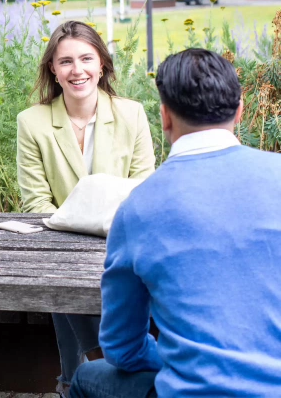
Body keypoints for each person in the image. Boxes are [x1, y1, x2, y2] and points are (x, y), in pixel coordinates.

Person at [70, 48, 281, 397]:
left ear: (165, 117)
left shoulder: (137, 208)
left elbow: (122, 348)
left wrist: (177, 356)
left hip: (190, 390)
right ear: (240, 112)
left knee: (86, 377)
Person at [16, 21, 156, 397]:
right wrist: (72, 239)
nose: (77, 70)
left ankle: (73, 379)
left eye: (86, 59)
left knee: (93, 276)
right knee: (61, 270)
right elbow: (35, 202)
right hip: (58, 241)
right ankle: (90, 368)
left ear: (103, 65)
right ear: (53, 71)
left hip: (121, 240)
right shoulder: (32, 122)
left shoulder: (131, 114)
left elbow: (143, 191)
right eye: (65, 62)